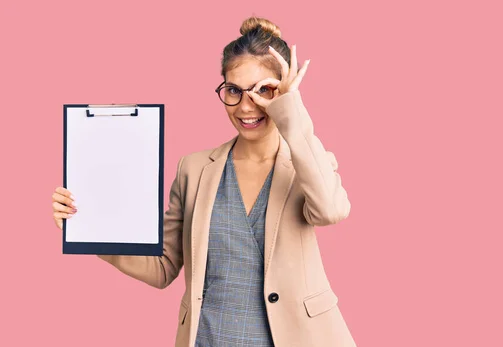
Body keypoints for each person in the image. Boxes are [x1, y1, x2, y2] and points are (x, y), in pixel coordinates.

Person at [52, 16, 356, 347]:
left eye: (263, 90)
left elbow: (330, 210)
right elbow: (163, 266)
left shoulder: (308, 162)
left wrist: (291, 112)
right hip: (210, 338)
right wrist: (88, 227)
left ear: (281, 91)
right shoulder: (194, 169)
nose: (246, 106)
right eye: (233, 91)